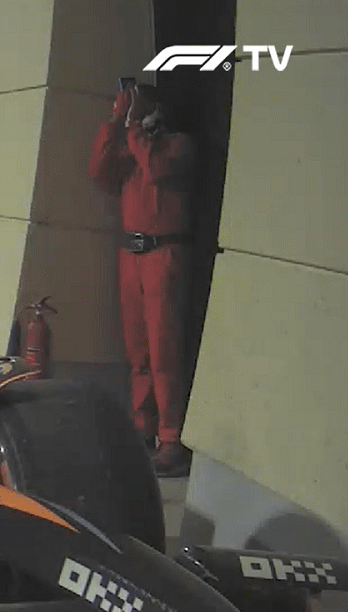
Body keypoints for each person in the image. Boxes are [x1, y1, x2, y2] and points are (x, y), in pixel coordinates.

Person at [89, 82, 195, 477]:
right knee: (138, 351)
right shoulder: (132, 146)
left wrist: (133, 126)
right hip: (131, 254)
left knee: (163, 349)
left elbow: (155, 167)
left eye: (139, 105)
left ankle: (171, 439)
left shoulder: (178, 145)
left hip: (162, 253)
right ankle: (143, 427)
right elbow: (99, 170)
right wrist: (116, 120)